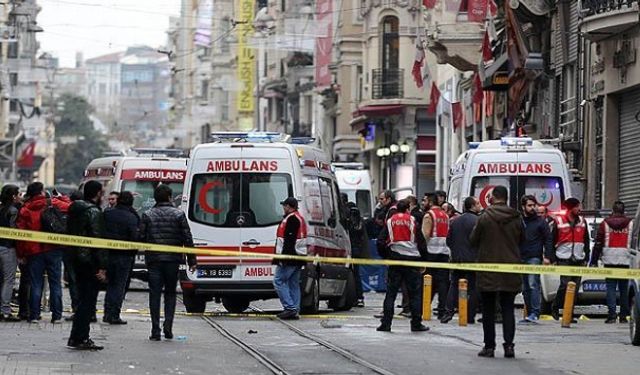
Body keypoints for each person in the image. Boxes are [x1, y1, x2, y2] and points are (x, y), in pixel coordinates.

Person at [470, 185, 523, 358]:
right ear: (506, 198)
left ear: (493, 197)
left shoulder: (484, 217)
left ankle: (489, 346)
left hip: (488, 270)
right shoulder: (516, 217)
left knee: (488, 310)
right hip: (511, 269)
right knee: (508, 309)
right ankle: (509, 346)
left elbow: (473, 240)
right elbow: (524, 239)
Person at [140, 184, 196, 340]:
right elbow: (187, 238)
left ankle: (155, 330)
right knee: (170, 293)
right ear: (170, 197)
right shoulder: (179, 214)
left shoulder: (147, 215)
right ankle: (168, 327)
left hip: (154, 260)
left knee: (154, 294)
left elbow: (141, 237)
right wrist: (192, 259)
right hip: (172, 260)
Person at [16, 182, 71, 324]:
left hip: (33, 251)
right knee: (55, 283)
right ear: (41, 192)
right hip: (53, 249)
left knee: (36, 283)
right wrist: (61, 197)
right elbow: (70, 206)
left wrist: (21, 254)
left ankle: (34, 315)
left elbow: (21, 234)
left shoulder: (25, 209)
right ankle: (57, 316)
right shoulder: (52, 202)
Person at [66, 180, 108, 350]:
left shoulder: (74, 209)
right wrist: (102, 267)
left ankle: (76, 337)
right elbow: (98, 241)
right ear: (97, 193)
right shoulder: (93, 212)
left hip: (75, 258)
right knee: (88, 302)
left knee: (83, 300)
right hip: (89, 261)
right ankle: (80, 337)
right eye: (102, 192)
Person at [377, 200, 429, 332]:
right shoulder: (412, 221)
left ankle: (386, 323)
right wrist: (423, 259)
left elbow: (380, 241)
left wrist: (387, 255)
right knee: (415, 294)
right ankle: (416, 323)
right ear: (407, 209)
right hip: (412, 261)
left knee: (391, 293)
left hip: (395, 260)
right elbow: (421, 242)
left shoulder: (390, 221)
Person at [590, 201, 632, 324]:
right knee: (624, 290)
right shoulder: (630, 223)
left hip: (609, 259)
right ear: (623, 211)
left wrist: (593, 260)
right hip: (626, 259)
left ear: (612, 211)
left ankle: (612, 315)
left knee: (611, 289)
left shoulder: (605, 224)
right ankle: (624, 316)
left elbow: (598, 243)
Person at [548, 197, 590, 322]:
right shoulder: (559, 221)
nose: (579, 209)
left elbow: (586, 240)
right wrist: (552, 257)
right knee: (565, 285)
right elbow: (552, 240)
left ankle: (569, 314)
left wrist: (586, 256)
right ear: (571, 208)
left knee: (575, 288)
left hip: (578, 258)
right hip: (563, 258)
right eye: (577, 207)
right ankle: (555, 307)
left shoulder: (582, 221)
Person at [441, 196, 482, 324]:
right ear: (472, 206)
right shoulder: (478, 221)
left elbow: (449, 240)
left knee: (454, 285)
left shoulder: (455, 221)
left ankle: (448, 312)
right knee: (474, 287)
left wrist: (455, 251)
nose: (480, 205)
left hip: (457, 259)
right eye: (478, 203)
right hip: (473, 260)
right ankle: (469, 314)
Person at [103, 191, 140, 325]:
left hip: (108, 254)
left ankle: (107, 313)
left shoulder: (107, 214)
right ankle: (114, 315)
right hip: (124, 256)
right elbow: (135, 237)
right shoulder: (132, 217)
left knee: (110, 284)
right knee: (119, 286)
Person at [519, 195, 553, 323]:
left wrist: (548, 257)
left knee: (533, 284)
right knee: (525, 287)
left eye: (534, 205)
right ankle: (529, 313)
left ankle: (535, 312)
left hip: (534, 257)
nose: (533, 208)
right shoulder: (520, 221)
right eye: (529, 205)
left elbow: (548, 239)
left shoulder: (540, 222)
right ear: (523, 207)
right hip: (521, 257)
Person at [273, 197, 307, 320]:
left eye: (285, 206)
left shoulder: (292, 219)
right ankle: (295, 309)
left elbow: (289, 241)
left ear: (289, 206)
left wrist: (283, 258)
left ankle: (290, 308)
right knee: (293, 283)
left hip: (291, 257)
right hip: (298, 256)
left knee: (278, 281)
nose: (283, 208)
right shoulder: (298, 218)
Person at [422, 194, 450, 319]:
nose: (423, 203)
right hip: (444, 252)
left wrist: (421, 250)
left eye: (425, 200)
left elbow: (425, 234)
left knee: (428, 281)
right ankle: (442, 309)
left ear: (430, 202)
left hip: (431, 252)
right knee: (443, 282)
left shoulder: (429, 215)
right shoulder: (445, 215)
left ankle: (424, 307)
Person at [0, 184, 21, 321]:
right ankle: (5, 310)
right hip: (7, 248)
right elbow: (14, 231)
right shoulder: (13, 211)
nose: (20, 196)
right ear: (13, 196)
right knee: (8, 280)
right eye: (18, 194)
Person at [63, 190, 84, 321]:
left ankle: (76, 308)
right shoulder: (90, 212)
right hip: (85, 253)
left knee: (73, 282)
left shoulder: (67, 213)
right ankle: (85, 310)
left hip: (70, 252)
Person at [347, 202, 369, 307]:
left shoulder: (351, 222)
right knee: (356, 273)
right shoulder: (360, 222)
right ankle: (358, 297)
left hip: (351, 248)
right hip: (356, 249)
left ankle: (356, 297)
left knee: (353, 273)